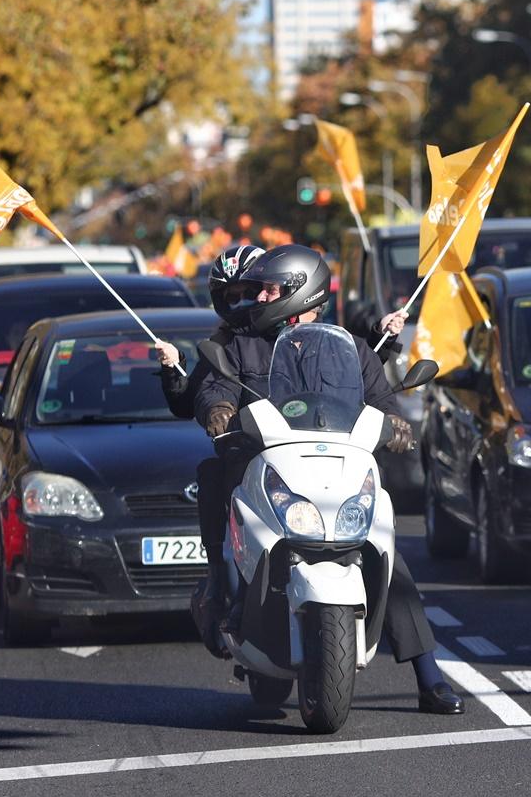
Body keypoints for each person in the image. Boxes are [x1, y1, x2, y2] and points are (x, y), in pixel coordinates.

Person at [193, 244, 464, 715]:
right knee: (237, 519)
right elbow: (216, 387)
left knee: (387, 554)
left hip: (334, 472)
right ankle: (228, 599)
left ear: (301, 292)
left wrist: (397, 428)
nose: (260, 298)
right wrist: (217, 409)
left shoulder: (352, 349)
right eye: (260, 289)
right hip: (272, 467)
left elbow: (382, 401)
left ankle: (429, 676)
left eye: (271, 289)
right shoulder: (243, 344)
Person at [154, 244, 265, 660]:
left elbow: (349, 380)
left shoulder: (300, 335)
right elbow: (194, 398)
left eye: (251, 291)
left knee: (390, 559)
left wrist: (386, 343)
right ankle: (220, 585)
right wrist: (174, 367)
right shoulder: (223, 343)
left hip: (309, 466)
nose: (243, 302)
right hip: (248, 464)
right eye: (231, 296)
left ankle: (425, 671)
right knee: (213, 474)